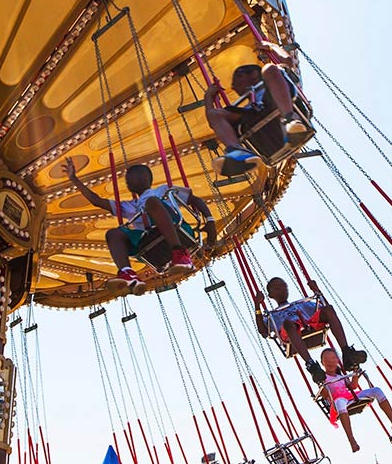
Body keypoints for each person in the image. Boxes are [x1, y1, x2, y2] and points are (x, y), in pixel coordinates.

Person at [62, 158, 217, 294]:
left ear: (145, 177)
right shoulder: (131, 206)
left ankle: (180, 253)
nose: (128, 181)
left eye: (131, 177)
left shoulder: (162, 190)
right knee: (113, 234)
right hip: (150, 241)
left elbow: (196, 200)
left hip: (177, 230)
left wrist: (210, 221)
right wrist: (74, 179)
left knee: (152, 203)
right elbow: (97, 200)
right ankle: (128, 274)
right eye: (127, 179)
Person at [205, 39, 306, 176]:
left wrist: (272, 46)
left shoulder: (272, 79)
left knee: (270, 69)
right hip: (261, 123)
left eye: (238, 77)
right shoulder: (249, 107)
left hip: (276, 104)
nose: (234, 86)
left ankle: (290, 119)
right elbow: (214, 122)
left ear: (253, 75)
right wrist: (209, 98)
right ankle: (237, 152)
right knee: (215, 114)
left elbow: (287, 61)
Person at [254, 276, 366, 384]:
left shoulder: (303, 304)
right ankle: (311, 365)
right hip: (290, 333)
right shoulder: (273, 315)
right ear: (270, 295)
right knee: (288, 323)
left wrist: (317, 290)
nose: (282, 290)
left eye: (284, 286)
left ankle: (347, 352)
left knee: (328, 309)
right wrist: (257, 305)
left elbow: (325, 307)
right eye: (277, 288)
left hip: (311, 326)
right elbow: (263, 331)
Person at [318, 348, 392, 453]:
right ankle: (351, 439)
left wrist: (355, 376)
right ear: (322, 363)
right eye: (327, 359)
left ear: (337, 360)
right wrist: (320, 382)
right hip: (338, 401)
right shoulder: (323, 377)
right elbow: (324, 394)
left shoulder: (341, 376)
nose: (330, 361)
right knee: (339, 402)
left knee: (377, 390)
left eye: (333, 358)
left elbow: (353, 386)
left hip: (350, 396)